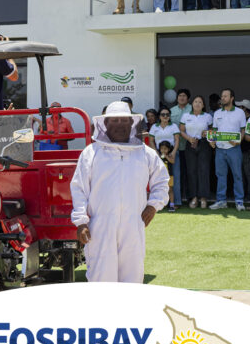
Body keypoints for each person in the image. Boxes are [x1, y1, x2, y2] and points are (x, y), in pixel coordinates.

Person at [70, 101, 169, 282]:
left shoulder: (145, 153)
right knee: (101, 279)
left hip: (133, 225)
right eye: (114, 121)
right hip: (100, 227)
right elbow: (79, 189)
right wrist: (81, 222)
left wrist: (153, 206)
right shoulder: (91, 153)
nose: (119, 125)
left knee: (132, 278)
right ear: (105, 124)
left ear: (131, 123)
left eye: (124, 121)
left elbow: (162, 181)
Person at [208, 88, 248, 211]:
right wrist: (212, 141)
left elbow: (243, 130)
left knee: (237, 175)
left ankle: (239, 201)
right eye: (222, 96)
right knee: (220, 175)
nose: (223, 98)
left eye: (225, 96)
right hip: (220, 149)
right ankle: (221, 201)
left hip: (234, 148)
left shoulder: (240, 113)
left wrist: (239, 141)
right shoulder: (217, 113)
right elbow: (214, 131)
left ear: (232, 98)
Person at [178, 94, 213, 208]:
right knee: (191, 171)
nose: (197, 104)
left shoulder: (208, 116)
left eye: (200, 102)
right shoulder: (186, 116)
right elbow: (181, 130)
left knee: (204, 171)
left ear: (203, 105)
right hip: (190, 144)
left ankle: (203, 198)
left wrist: (207, 133)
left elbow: (212, 131)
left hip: (204, 144)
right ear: (192, 104)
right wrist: (189, 138)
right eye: (195, 102)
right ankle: (193, 197)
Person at [150, 106, 181, 211]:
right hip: (158, 156)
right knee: (158, 179)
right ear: (159, 116)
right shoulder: (154, 127)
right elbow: (151, 141)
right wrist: (156, 153)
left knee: (174, 178)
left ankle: (175, 202)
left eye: (167, 114)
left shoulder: (174, 126)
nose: (165, 116)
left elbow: (177, 140)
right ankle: (159, 203)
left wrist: (173, 152)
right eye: (163, 114)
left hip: (172, 154)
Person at [157, 141, 177, 212]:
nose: (163, 150)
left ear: (168, 149)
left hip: (169, 176)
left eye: (165, 149)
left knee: (170, 190)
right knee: (161, 190)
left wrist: (167, 157)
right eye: (162, 149)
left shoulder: (170, 155)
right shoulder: (158, 156)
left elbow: (172, 161)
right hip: (161, 177)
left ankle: (171, 205)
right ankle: (161, 205)